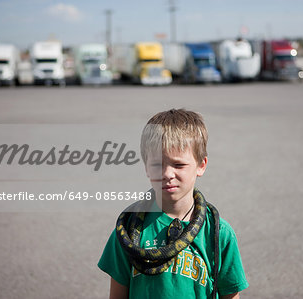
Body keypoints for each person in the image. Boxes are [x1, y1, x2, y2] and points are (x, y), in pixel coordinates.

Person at [98, 108, 248, 298]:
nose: (167, 174)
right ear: (146, 167)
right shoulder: (127, 230)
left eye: (178, 165)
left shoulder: (218, 234)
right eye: (157, 164)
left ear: (201, 165)